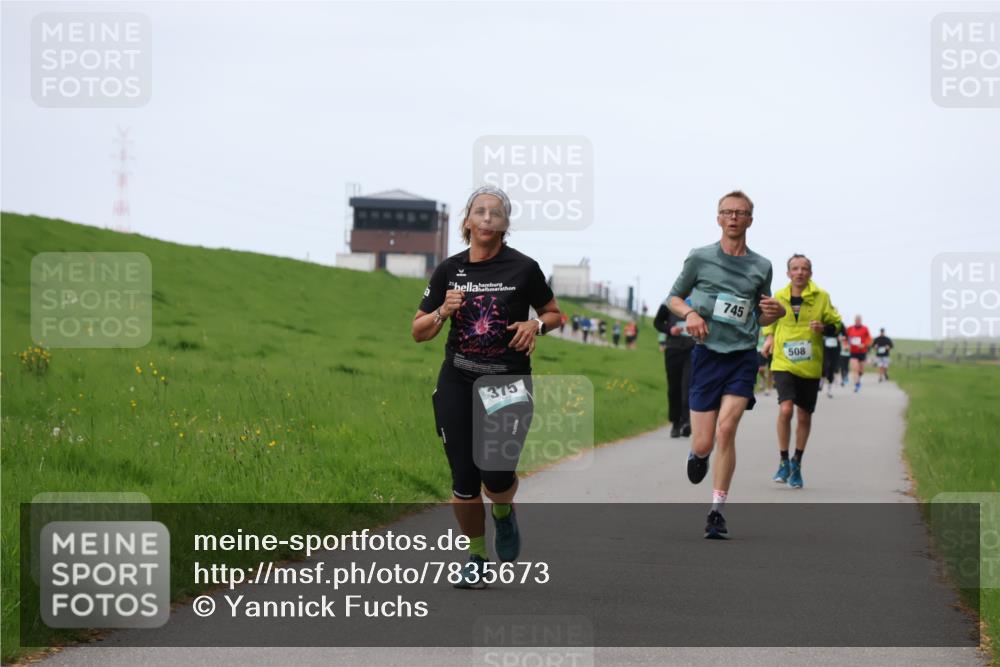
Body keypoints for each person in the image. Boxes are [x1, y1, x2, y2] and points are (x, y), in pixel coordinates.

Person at [412, 186, 562, 588]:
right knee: (463, 478)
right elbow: (418, 331)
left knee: (495, 476)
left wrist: (536, 325)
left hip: (507, 382)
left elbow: (554, 313)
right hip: (458, 379)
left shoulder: (524, 269)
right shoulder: (449, 270)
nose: (487, 217)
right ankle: (476, 557)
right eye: (479, 211)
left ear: (505, 224)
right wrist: (442, 311)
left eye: (495, 212)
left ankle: (502, 511)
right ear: (467, 221)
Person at [667, 190, 785, 539]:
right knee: (704, 442)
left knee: (727, 430)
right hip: (707, 354)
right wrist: (690, 314)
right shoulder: (699, 258)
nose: (733, 217)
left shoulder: (761, 266)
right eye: (727, 212)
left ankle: (716, 511)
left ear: (751, 220)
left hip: (742, 356)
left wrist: (775, 313)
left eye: (740, 213)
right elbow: (673, 298)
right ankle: (698, 454)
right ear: (718, 218)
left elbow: (760, 316)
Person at [760, 254, 843, 489]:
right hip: (783, 362)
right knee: (786, 409)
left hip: (809, 364)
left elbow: (837, 326)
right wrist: (768, 339)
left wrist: (824, 327)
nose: (800, 272)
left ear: (810, 273)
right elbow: (769, 322)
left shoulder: (821, 297)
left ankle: (797, 462)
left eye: (804, 268)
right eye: (795, 268)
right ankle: (783, 460)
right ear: (788, 273)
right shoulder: (779, 296)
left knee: (804, 416)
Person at [654, 300, 694, 438]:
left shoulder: (698, 300)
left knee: (688, 385)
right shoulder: (668, 303)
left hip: (693, 349)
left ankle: (686, 421)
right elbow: (658, 322)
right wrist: (670, 329)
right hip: (673, 349)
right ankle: (675, 423)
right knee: (674, 387)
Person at [845, 315, 872, 392]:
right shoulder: (850, 328)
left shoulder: (865, 328)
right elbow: (845, 338)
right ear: (854, 320)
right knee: (855, 369)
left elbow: (869, 339)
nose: (857, 321)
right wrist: (846, 345)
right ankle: (857, 385)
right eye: (856, 320)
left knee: (861, 370)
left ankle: (858, 378)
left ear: (861, 321)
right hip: (853, 352)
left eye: (859, 320)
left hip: (862, 352)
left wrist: (864, 344)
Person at [821, 329, 840, 398]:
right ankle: (821, 382)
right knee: (824, 366)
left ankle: (829, 389)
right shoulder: (823, 324)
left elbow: (845, 335)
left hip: (834, 351)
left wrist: (841, 337)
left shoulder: (839, 325)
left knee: (831, 368)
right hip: (824, 350)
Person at [756, 330, 773, 396]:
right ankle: (764, 378)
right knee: (760, 369)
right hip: (760, 348)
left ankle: (768, 388)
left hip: (771, 348)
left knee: (770, 370)